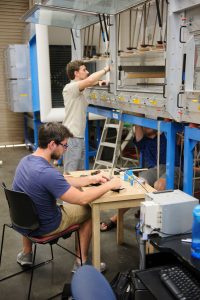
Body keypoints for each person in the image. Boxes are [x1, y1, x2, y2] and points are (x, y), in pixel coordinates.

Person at [13, 122, 121, 272]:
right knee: (88, 210)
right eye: (64, 145)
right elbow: (82, 198)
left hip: (23, 222)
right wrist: (109, 185)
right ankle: (81, 262)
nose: (65, 149)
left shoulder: (26, 161)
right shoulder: (46, 172)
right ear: (52, 144)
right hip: (45, 226)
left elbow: (60, 180)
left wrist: (91, 179)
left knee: (28, 203)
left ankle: (26, 254)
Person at [100, 125, 182, 231]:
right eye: (143, 126)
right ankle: (115, 218)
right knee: (137, 184)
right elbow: (138, 123)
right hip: (156, 169)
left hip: (174, 167)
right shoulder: (144, 141)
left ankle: (150, 223)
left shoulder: (166, 135)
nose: (146, 127)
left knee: (159, 185)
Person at [62, 60, 109, 173]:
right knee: (70, 173)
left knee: (80, 173)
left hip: (79, 137)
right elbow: (90, 80)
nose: (87, 72)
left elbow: (90, 82)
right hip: (72, 137)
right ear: (76, 73)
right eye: (84, 70)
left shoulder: (80, 89)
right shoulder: (70, 87)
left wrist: (99, 82)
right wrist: (106, 69)